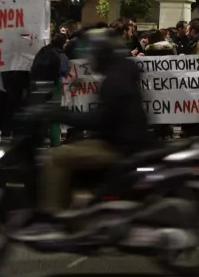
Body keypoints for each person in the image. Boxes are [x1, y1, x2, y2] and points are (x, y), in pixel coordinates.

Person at [16, 28, 154, 240]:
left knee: (55, 157)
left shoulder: (114, 81)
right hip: (121, 139)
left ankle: (53, 217)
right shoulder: (121, 73)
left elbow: (99, 120)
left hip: (117, 145)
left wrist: (62, 114)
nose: (90, 59)